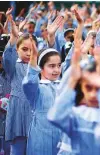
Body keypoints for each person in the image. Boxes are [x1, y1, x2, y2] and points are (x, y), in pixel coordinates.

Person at [3, 15, 37, 155]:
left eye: (32, 49)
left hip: (35, 111)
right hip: (17, 111)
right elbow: (7, 57)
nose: (29, 53)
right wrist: (13, 38)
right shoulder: (13, 66)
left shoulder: (39, 67)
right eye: (24, 49)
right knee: (17, 147)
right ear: (17, 49)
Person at [22, 37, 62, 154]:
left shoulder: (62, 86)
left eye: (59, 65)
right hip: (41, 138)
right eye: (51, 66)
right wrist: (33, 59)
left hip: (61, 139)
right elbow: (29, 82)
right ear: (41, 68)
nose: (56, 70)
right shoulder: (36, 88)